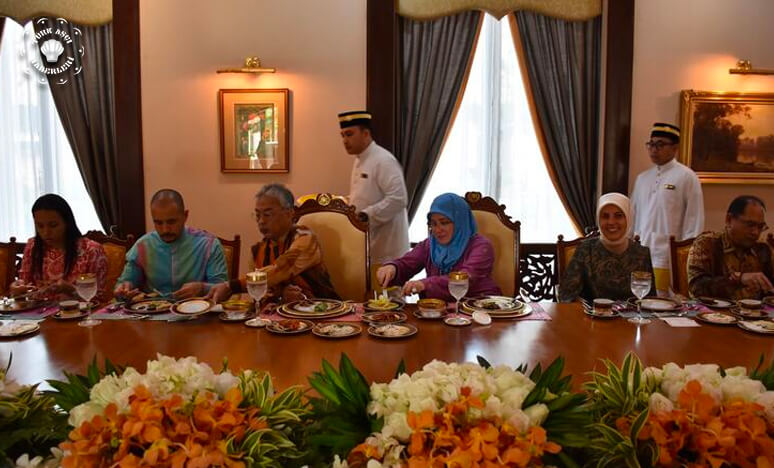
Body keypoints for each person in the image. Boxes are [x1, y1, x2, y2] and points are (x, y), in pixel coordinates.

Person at [207, 184, 339, 303]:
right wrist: (281, 296)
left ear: (289, 213)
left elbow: (283, 268)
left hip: (322, 313)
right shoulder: (258, 250)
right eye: (258, 215)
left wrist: (231, 286)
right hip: (279, 321)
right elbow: (259, 296)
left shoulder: (305, 238)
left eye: (268, 214)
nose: (261, 221)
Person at [375, 193, 500, 302]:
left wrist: (424, 284)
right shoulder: (430, 244)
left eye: (444, 222)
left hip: (481, 313)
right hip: (439, 313)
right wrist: (392, 268)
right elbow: (406, 264)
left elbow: (464, 279)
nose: (437, 230)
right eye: (433, 224)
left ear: (459, 221)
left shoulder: (482, 247)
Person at [114, 189, 227, 300]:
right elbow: (126, 282)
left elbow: (223, 289)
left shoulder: (208, 245)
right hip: (151, 313)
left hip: (195, 312)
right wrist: (124, 288)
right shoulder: (142, 246)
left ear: (185, 216)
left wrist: (202, 288)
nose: (165, 229)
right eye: (158, 223)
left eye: (171, 222)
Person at [631, 122, 704, 294]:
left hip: (668, 257)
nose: (654, 150)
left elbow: (694, 220)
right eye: (651, 144)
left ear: (675, 148)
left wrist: (685, 257)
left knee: (665, 303)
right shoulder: (642, 178)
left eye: (660, 145)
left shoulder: (687, 177)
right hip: (641, 253)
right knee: (640, 301)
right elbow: (632, 215)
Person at [340, 110, 410, 264]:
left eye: (349, 134)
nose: (345, 140)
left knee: (387, 289)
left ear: (366, 134)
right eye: (343, 135)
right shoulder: (359, 160)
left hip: (387, 247)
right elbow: (364, 195)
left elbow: (398, 199)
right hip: (368, 242)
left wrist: (366, 215)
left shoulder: (383, 160)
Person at [10, 194, 108, 301]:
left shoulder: (91, 250)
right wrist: (17, 288)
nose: (46, 232)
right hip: (39, 313)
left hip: (77, 314)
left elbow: (99, 299)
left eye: (53, 225)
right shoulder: (33, 246)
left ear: (67, 222)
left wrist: (70, 289)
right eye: (40, 226)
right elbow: (25, 284)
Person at [559, 193, 654, 302]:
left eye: (618, 216)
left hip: (631, 318)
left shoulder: (642, 253)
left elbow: (650, 299)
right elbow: (566, 295)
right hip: (592, 317)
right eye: (605, 216)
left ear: (629, 218)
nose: (611, 222)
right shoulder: (585, 249)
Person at [687, 195, 773, 300]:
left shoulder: (762, 248)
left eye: (760, 227)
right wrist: (738, 279)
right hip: (715, 313)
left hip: (756, 314)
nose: (755, 232)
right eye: (750, 225)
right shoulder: (707, 243)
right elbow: (697, 287)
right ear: (729, 220)